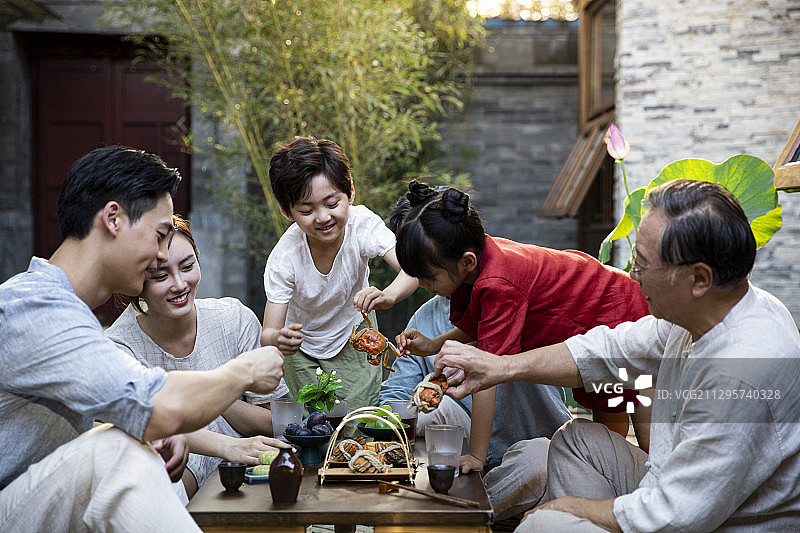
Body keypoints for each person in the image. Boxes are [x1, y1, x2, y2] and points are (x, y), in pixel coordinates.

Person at [435, 179, 800, 532]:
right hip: (671, 487)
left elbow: (676, 514)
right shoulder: (703, 312)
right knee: (575, 441)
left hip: (713, 522)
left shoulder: (742, 370)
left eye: (642, 264)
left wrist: (568, 508)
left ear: (699, 279)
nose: (634, 277)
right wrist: (501, 367)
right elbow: (608, 350)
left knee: (548, 524)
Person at [0, 146, 285, 532]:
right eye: (160, 235)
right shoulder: (33, 306)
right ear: (114, 219)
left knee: (132, 447)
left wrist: (148, 432)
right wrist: (244, 370)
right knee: (119, 454)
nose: (161, 255)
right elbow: (157, 405)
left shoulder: (70, 314)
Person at [105, 214, 290, 499]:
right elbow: (147, 421)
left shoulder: (233, 319)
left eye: (188, 266)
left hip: (247, 476)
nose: (179, 284)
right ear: (135, 280)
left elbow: (275, 422)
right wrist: (219, 385)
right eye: (160, 275)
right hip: (176, 472)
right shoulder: (119, 345)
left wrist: (214, 392)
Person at [261, 137, 417, 432]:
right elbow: (268, 332)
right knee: (313, 429)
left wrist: (387, 296)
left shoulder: (362, 225)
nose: (323, 217)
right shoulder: (285, 258)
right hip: (303, 348)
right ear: (287, 211)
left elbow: (412, 270)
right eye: (306, 211)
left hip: (355, 333)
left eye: (332, 203)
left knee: (358, 425)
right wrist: (278, 339)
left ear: (351, 193)